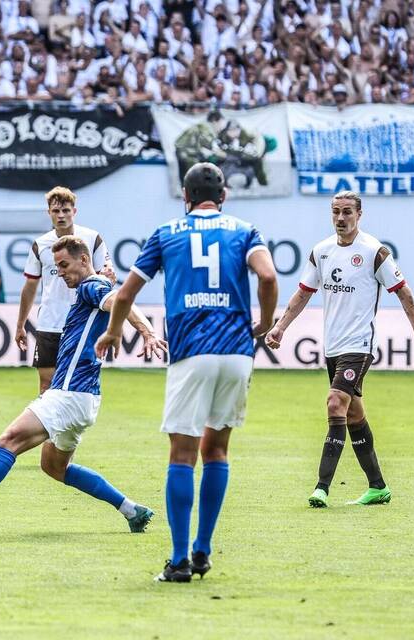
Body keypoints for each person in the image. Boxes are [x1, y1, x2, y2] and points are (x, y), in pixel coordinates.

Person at [95, 162, 278, 583]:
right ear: (224, 196)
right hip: (237, 352)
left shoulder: (166, 233)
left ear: (185, 196)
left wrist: (112, 332)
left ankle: (178, 561)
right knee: (217, 450)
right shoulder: (246, 230)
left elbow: (125, 294)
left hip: (191, 350)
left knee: (182, 455)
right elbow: (267, 276)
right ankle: (202, 552)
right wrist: (265, 323)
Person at [0, 235, 167, 531]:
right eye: (56, 267)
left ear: (84, 260)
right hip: (85, 398)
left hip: (70, 394)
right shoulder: (92, 287)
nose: (60, 272)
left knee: (8, 441)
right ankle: (132, 510)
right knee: (54, 467)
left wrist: (148, 332)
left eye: (64, 265)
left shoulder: (91, 286)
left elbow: (120, 300)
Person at [264, 191, 414, 510]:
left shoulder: (374, 252)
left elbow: (404, 293)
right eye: (335, 212)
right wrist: (280, 326)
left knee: (334, 403)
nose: (341, 218)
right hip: (333, 346)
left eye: (346, 212)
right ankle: (378, 487)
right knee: (354, 413)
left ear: (359, 214)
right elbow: (302, 294)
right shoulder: (322, 251)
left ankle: (321, 488)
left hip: (359, 345)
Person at [16, 186, 112, 395]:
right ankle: (46, 428)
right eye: (56, 211)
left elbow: (105, 279)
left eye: (66, 210)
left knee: (77, 387)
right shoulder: (40, 245)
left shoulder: (92, 238)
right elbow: (30, 286)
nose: (61, 215)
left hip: (82, 324)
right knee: (46, 387)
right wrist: (20, 325)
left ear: (74, 212)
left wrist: (108, 276)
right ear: (48, 213)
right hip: (50, 323)